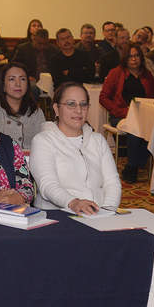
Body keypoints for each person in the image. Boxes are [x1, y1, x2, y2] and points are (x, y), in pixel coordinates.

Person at [29, 83, 121, 215]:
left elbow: (112, 182)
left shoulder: (98, 140)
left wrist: (107, 211)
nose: (78, 110)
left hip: (98, 213)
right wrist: (73, 203)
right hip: (59, 213)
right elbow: (48, 185)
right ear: (56, 109)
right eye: (71, 104)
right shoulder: (43, 141)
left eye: (83, 104)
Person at [101, 43, 154, 183]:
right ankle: (132, 166)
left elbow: (153, 98)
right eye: (130, 56)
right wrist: (118, 111)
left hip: (144, 116)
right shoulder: (116, 73)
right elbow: (103, 97)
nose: (134, 59)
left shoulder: (147, 75)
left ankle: (135, 164)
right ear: (125, 58)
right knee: (135, 129)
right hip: (120, 115)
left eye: (137, 56)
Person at [0, 62, 46, 148]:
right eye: (12, 79)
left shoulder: (36, 112)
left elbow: (44, 144)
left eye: (22, 79)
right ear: (3, 85)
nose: (18, 84)